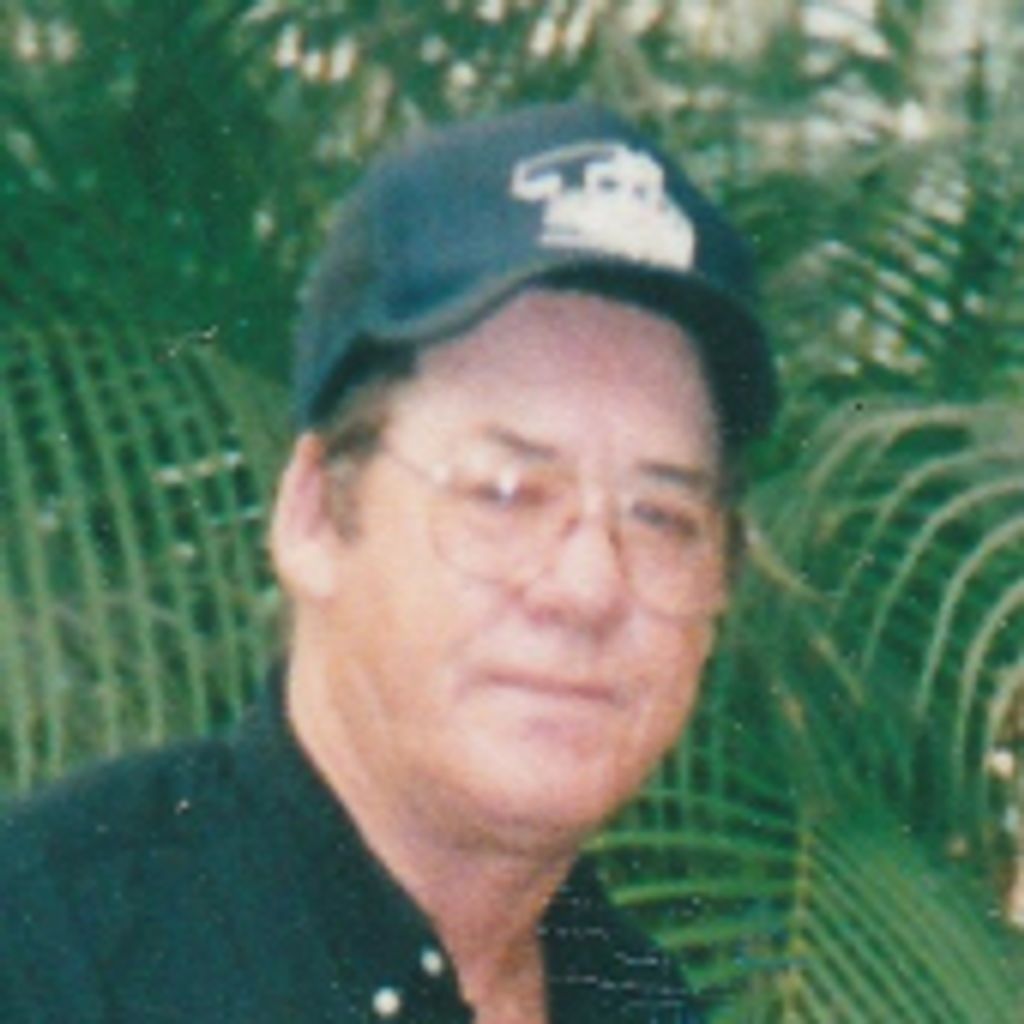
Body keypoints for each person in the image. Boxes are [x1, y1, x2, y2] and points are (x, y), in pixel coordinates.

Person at [0, 102, 777, 1022]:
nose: (589, 586)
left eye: (661, 517)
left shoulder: (638, 1003)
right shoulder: (52, 954)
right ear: (315, 515)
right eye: (506, 492)